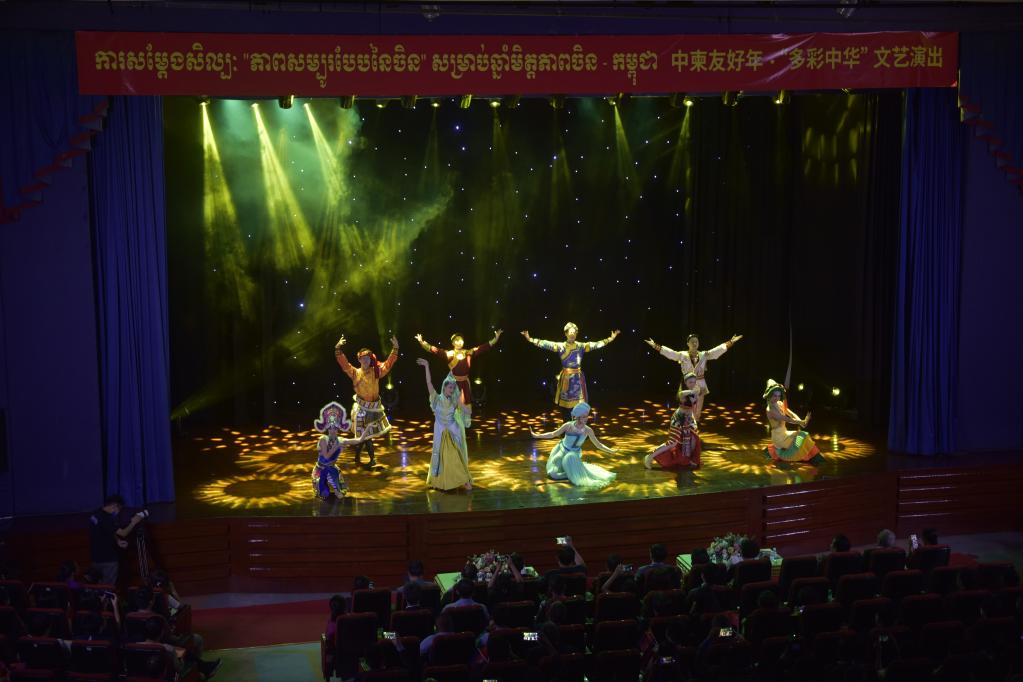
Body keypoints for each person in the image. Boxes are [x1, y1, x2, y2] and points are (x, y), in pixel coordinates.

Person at [522, 323, 620, 415]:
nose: (572, 334)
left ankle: (578, 424)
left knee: (578, 406)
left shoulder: (581, 346)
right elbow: (546, 344)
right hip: (566, 378)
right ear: (566, 334)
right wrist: (530, 339)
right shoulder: (560, 346)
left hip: (577, 379)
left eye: (574, 332)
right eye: (571, 332)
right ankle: (567, 424)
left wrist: (610, 338)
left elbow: (596, 344)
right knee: (566, 407)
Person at [334, 334, 399, 466]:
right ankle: (371, 459)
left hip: (374, 408)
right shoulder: (355, 373)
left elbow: (388, 365)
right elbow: (345, 365)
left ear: (370, 359)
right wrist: (338, 350)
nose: (365, 360)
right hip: (361, 409)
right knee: (365, 436)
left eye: (367, 358)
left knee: (364, 436)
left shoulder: (376, 372)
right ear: (359, 360)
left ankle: (358, 458)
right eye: (363, 358)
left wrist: (395, 349)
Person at [645, 332, 742, 420]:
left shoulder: (703, 354)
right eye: (692, 342)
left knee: (697, 409)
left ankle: (693, 428)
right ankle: (685, 427)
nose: (694, 343)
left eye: (696, 341)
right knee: (686, 407)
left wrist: (731, 342)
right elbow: (671, 354)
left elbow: (716, 351)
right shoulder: (683, 355)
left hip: (700, 384)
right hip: (687, 384)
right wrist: (655, 346)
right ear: (688, 344)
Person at [530, 402, 618, 488]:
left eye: (586, 416)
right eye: (583, 416)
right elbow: (553, 434)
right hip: (563, 450)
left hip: (573, 455)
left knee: (570, 457)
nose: (586, 419)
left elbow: (598, 445)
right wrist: (537, 435)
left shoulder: (588, 430)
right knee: (553, 473)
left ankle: (575, 472)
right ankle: (572, 473)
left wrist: (611, 451)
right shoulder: (568, 425)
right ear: (578, 417)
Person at [418, 358, 473, 491]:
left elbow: (468, 410)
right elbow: (429, 382)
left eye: (453, 388)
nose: (452, 390)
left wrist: (466, 406)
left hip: (453, 432)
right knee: (440, 457)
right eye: (450, 387)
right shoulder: (436, 399)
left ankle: (463, 481)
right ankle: (440, 482)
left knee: (454, 457)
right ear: (444, 387)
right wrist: (427, 366)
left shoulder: (455, 401)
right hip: (440, 431)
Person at [415, 330, 503, 403]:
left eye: (461, 340)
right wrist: (422, 342)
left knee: (465, 406)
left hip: (465, 384)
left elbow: (482, 348)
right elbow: (435, 350)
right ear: (453, 343)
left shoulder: (469, 352)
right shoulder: (450, 354)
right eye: (456, 340)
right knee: (453, 406)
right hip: (453, 384)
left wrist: (495, 339)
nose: (459, 342)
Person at [88, 494, 147, 586]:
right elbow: (123, 533)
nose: (119, 512)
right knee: (108, 587)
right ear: (114, 506)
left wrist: (117, 541)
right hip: (108, 560)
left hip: (95, 558)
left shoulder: (95, 514)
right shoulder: (107, 519)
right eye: (119, 509)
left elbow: (106, 531)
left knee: (96, 586)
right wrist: (133, 522)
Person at [645, 375, 702, 470]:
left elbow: (694, 407)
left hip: (689, 418)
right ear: (685, 383)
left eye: (694, 382)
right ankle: (650, 457)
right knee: (673, 442)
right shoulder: (682, 393)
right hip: (678, 418)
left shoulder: (694, 391)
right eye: (690, 382)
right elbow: (685, 393)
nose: (693, 384)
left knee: (694, 438)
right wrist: (696, 391)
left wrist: (693, 419)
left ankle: (690, 459)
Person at [311, 402, 365, 500]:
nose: (333, 431)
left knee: (340, 494)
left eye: (335, 428)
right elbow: (326, 456)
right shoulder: (323, 439)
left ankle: (336, 488)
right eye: (331, 428)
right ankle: (321, 487)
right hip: (320, 470)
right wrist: (336, 446)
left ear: (338, 429)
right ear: (327, 429)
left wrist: (367, 431)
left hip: (332, 469)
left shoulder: (340, 440)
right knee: (324, 494)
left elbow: (358, 440)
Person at [762, 379, 823, 464]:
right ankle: (800, 456)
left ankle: (810, 456)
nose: (777, 398)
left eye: (779, 396)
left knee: (803, 435)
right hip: (778, 437)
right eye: (775, 396)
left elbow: (791, 414)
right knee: (802, 435)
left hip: (784, 433)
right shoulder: (770, 410)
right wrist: (801, 422)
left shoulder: (779, 403)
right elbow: (787, 419)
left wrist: (801, 422)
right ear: (769, 395)